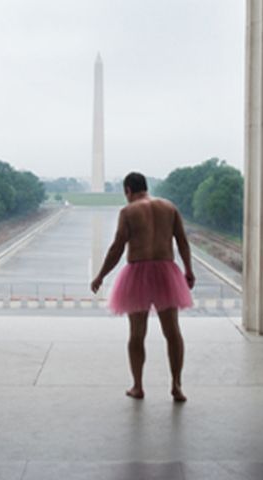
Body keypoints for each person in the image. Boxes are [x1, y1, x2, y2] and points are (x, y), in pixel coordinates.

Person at [91, 172, 195, 402]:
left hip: (137, 272)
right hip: (166, 272)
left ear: (128, 190)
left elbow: (117, 248)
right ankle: (177, 386)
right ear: (145, 187)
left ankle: (138, 386)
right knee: (173, 333)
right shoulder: (169, 207)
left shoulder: (128, 212)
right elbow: (183, 242)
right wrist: (188, 269)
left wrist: (100, 275)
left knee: (137, 334)